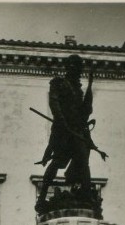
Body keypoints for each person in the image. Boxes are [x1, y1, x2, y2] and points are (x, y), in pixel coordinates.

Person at [36, 54, 107, 211]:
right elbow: (54, 103)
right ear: (69, 67)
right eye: (76, 67)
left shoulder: (78, 90)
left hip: (76, 131)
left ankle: (87, 195)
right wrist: (62, 121)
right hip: (63, 131)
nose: (78, 71)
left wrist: (90, 87)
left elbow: (84, 112)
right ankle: (41, 198)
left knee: (83, 162)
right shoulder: (58, 83)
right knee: (56, 162)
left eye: (80, 68)